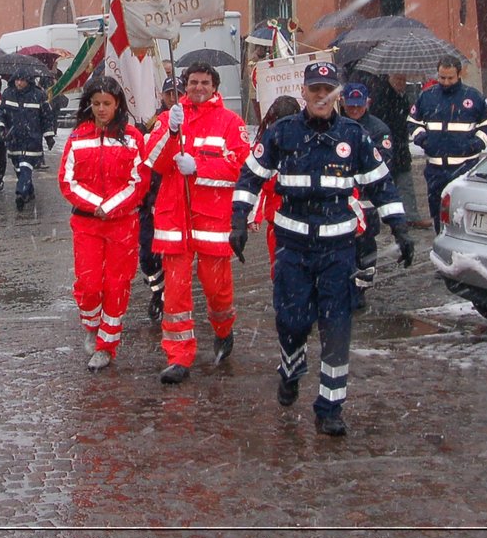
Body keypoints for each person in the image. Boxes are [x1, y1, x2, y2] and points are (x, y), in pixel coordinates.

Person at [231, 61, 412, 437]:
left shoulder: (355, 136)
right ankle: (291, 367)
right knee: (291, 321)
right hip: (293, 249)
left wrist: (400, 227)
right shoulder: (283, 133)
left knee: (336, 328)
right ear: (304, 92)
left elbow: (382, 185)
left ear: (337, 95)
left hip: (338, 250)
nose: (320, 95)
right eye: (314, 88)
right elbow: (250, 175)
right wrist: (238, 221)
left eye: (327, 89)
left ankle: (330, 407)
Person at [143, 61, 248, 384]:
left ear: (215, 87)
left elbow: (241, 167)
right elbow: (154, 162)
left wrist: (200, 166)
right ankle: (178, 356)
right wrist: (172, 132)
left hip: (213, 219)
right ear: (184, 85)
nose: (198, 87)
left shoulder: (231, 122)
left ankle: (223, 328)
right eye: (192, 82)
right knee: (175, 294)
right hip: (175, 217)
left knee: (217, 290)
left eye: (204, 82)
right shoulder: (168, 119)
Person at [57, 76, 147, 370]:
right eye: (96, 104)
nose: (101, 109)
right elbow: (67, 180)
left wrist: (111, 206)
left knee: (117, 284)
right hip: (86, 223)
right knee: (89, 283)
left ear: (117, 104)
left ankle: (107, 344)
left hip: (123, 223)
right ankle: (92, 325)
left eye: (106, 103)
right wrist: (95, 205)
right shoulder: (78, 137)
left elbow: (139, 181)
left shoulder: (133, 137)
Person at [407, 55, 487, 235]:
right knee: (438, 211)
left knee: (464, 211)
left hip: (465, 168)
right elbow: (413, 121)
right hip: (435, 169)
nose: (446, 82)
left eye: (450, 78)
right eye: (442, 77)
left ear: (459, 75)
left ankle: (464, 245)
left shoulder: (473, 97)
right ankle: (441, 241)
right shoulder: (427, 96)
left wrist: (477, 144)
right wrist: (423, 139)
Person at [341, 82, 407, 282]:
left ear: (367, 102)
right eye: (350, 105)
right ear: (343, 103)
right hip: (343, 202)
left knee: (365, 248)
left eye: (358, 105)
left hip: (366, 202)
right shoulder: (335, 125)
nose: (354, 110)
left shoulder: (378, 129)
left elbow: (382, 165)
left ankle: (363, 286)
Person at [135, 76, 183, 322]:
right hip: (150, 198)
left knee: (175, 255)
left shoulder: (190, 121)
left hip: (176, 199)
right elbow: (144, 159)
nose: (174, 97)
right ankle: (158, 291)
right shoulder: (151, 121)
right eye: (169, 93)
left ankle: (172, 299)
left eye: (178, 92)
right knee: (148, 254)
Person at [244, 94, 301, 276]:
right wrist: (253, 216)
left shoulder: (307, 144)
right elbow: (256, 185)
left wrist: (252, 217)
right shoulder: (265, 148)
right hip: (284, 225)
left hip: (296, 224)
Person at [362, 71, 419, 223]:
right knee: (386, 184)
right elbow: (383, 122)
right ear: (390, 78)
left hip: (400, 147)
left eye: (403, 80)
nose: (402, 83)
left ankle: (411, 216)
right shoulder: (382, 95)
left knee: (404, 183)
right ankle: (390, 216)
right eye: (399, 79)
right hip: (390, 146)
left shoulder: (400, 96)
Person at [0, 70, 55, 207]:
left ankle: (21, 194)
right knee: (19, 169)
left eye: (22, 80)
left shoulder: (38, 95)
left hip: (32, 139)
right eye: (17, 80)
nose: (19, 83)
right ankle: (29, 190)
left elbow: (46, 117)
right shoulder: (8, 94)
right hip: (13, 139)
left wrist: (49, 136)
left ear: (28, 81)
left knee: (26, 166)